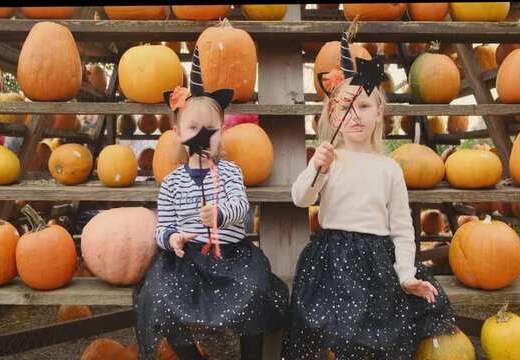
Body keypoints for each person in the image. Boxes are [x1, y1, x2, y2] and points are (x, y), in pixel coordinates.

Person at [281, 33, 456, 359]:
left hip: (378, 260)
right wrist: (316, 168)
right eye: (345, 107)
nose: (355, 114)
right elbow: (301, 199)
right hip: (333, 259)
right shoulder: (330, 159)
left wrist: (406, 273)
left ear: (379, 113)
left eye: (363, 106)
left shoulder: (388, 168)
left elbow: (402, 228)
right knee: (335, 327)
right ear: (333, 116)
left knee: (381, 328)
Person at [133, 47, 288, 360]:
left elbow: (240, 205)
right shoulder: (173, 181)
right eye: (193, 129)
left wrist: (219, 213)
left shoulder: (230, 172)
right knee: (158, 295)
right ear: (178, 133)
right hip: (187, 260)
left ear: (222, 131)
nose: (203, 137)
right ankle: (191, 355)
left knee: (255, 290)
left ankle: (251, 354)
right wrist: (172, 239)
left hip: (231, 256)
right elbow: (162, 226)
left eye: (211, 130)